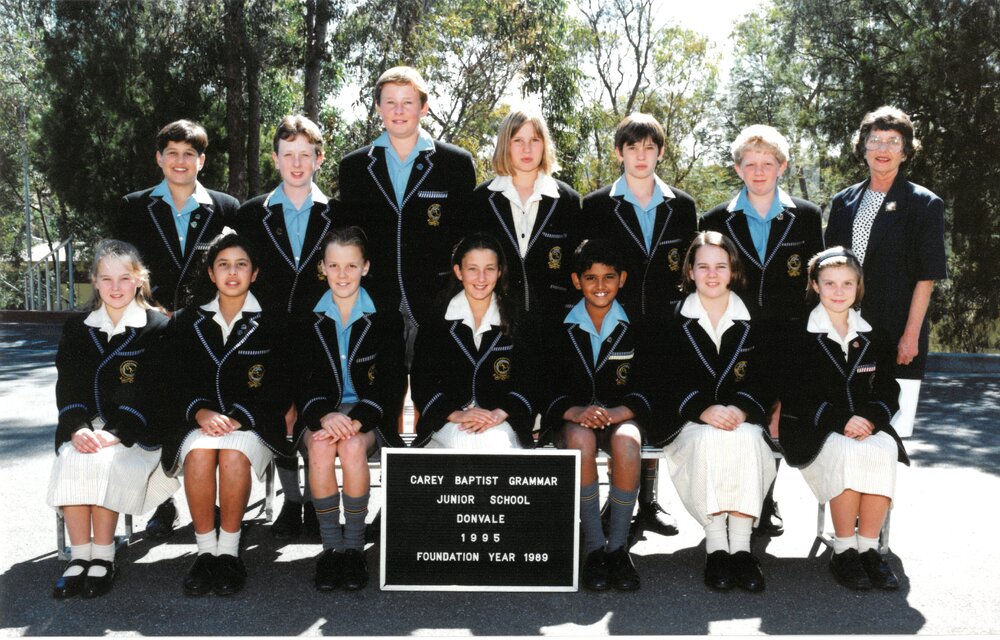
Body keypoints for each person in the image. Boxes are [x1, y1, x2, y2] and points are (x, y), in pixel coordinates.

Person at [115, 119, 240, 539]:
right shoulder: (133, 207)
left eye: (189, 154)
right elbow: (123, 269)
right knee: (160, 409)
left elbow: (231, 269)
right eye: (172, 153)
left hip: (206, 331)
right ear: (159, 158)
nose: (180, 161)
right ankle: (164, 502)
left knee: (207, 408)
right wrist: (151, 310)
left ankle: (212, 501)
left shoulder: (226, 208)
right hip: (151, 329)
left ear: (201, 160)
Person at [700, 124, 824, 536]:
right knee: (742, 419)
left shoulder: (806, 216)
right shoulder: (717, 218)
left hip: (789, 335)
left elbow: (815, 279)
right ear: (738, 168)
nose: (758, 171)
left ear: (782, 166)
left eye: (767, 163)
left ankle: (766, 501)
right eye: (750, 164)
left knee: (774, 420)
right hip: (736, 337)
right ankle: (733, 505)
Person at [580, 113, 697, 538]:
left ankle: (648, 503)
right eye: (633, 147)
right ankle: (618, 506)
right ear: (619, 153)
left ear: (661, 152)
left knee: (653, 408)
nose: (641, 155)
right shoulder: (596, 206)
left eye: (650, 147)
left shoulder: (682, 206)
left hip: (666, 326)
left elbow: (688, 268)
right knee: (616, 408)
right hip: (615, 324)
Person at [157, 231, 292, 597]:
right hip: (196, 423)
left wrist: (237, 416)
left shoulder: (274, 322)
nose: (233, 273)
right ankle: (205, 554)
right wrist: (199, 412)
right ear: (212, 274)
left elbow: (282, 386)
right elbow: (171, 382)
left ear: (255, 273)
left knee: (233, 454)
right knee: (200, 455)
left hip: (255, 423)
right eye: (224, 265)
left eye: (241, 265)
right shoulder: (186, 322)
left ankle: (230, 553)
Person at [48, 239, 178, 599]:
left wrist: (117, 433)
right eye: (106, 279)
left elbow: (156, 393)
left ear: (140, 280)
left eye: (124, 278)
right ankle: (80, 556)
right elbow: (68, 385)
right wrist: (77, 427)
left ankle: (104, 556)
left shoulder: (158, 327)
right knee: (76, 456)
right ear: (95, 281)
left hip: (138, 432)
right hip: (85, 426)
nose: (115, 287)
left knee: (104, 459)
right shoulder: (78, 328)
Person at [234, 115, 339, 541]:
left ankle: (315, 503)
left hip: (320, 335)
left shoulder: (337, 214)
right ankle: (292, 501)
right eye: (288, 155)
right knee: (280, 414)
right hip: (268, 335)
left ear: (318, 159)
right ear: (275, 158)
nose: (297, 164)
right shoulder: (249, 215)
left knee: (313, 414)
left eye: (306, 155)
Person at [654, 232, 776, 593]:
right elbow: (660, 382)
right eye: (703, 266)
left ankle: (741, 548)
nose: (711, 274)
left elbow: (768, 376)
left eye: (720, 266)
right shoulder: (671, 320)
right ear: (689, 271)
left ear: (732, 270)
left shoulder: (755, 318)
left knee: (749, 437)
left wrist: (743, 408)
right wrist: (700, 408)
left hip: (742, 419)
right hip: (690, 422)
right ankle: (716, 548)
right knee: (709, 439)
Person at [779, 247, 907, 590]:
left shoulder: (873, 334)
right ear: (816, 285)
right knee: (847, 450)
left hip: (865, 425)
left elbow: (887, 389)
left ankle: (869, 550)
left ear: (858, 287)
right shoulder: (799, 334)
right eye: (830, 283)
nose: (839, 291)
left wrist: (870, 419)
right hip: (813, 428)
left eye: (847, 284)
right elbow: (795, 393)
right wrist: (841, 421)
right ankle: (844, 550)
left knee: (882, 448)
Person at [291, 226, 406, 591]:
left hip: (369, 413)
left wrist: (357, 420)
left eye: (351, 266)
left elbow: (390, 383)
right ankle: (331, 549)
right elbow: (301, 379)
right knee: (323, 445)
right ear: (322, 268)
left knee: (353, 446)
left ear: (366, 268)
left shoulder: (387, 319)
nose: (342, 275)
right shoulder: (307, 319)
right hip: (322, 412)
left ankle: (354, 549)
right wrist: (323, 415)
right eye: (334, 266)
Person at [338, 66, 477, 365]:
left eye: (408, 102)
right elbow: (348, 237)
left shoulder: (455, 163)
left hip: (438, 301)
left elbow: (466, 238)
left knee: (435, 400)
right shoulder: (354, 167)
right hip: (375, 300)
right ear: (378, 108)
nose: (398, 111)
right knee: (384, 402)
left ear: (424, 107)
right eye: (390, 102)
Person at [825, 106, 947, 438]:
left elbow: (927, 277)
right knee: (843, 428)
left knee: (888, 433)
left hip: (895, 335)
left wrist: (910, 336)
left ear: (906, 151)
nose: (883, 149)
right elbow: (827, 271)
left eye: (893, 141)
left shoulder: (924, 204)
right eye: (875, 140)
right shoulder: (843, 202)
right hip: (845, 333)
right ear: (862, 147)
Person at [540, 238, 651, 592]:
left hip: (621, 416)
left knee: (627, 442)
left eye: (609, 277)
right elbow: (542, 383)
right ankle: (593, 548)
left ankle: (618, 547)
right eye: (590, 278)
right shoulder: (557, 326)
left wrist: (621, 411)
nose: (600, 286)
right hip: (574, 419)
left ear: (623, 279)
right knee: (580, 439)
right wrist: (572, 410)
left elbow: (655, 383)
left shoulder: (638, 324)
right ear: (576, 281)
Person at [410, 233, 535, 449]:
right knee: (465, 443)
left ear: (499, 271)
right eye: (472, 269)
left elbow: (530, 379)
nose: (481, 278)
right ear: (458, 271)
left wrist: (501, 412)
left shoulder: (518, 319)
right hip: (448, 422)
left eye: (489, 269)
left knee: (494, 443)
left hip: (501, 421)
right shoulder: (437, 320)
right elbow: (422, 382)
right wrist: (455, 413)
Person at [468, 107, 581, 328]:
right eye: (518, 140)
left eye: (535, 140)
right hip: (495, 324)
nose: (527, 149)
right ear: (505, 145)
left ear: (545, 145)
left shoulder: (567, 199)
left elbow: (576, 269)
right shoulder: (481, 199)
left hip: (553, 327)